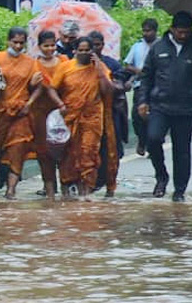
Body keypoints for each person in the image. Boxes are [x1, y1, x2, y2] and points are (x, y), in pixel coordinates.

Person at [138, 10, 192, 201]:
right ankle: (161, 176)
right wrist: (143, 101)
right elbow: (146, 76)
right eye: (180, 32)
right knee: (153, 139)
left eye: (186, 32)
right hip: (160, 105)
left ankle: (179, 190)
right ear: (172, 29)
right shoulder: (158, 48)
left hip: (186, 108)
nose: (183, 36)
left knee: (182, 150)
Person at [0, 27, 36, 198]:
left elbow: (38, 87)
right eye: (14, 42)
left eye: (21, 43)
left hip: (20, 113)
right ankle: (2, 176)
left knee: (17, 146)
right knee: (1, 149)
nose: (17, 46)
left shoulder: (31, 63)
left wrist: (30, 103)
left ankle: (11, 190)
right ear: (8, 41)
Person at [52, 37, 111, 198]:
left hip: (92, 118)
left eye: (87, 50)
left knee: (88, 152)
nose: (84, 53)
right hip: (69, 117)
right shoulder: (65, 68)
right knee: (68, 154)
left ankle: (86, 191)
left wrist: (99, 69)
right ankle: (66, 188)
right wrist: (60, 104)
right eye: (81, 50)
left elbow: (107, 90)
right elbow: (52, 88)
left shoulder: (100, 68)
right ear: (75, 51)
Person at [25, 30, 67, 199]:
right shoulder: (33, 64)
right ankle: (50, 190)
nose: (50, 49)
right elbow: (27, 88)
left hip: (62, 113)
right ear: (39, 46)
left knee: (65, 150)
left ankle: (66, 189)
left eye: (52, 45)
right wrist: (31, 84)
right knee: (44, 152)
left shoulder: (64, 61)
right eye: (46, 46)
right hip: (41, 114)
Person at [89, 30, 127, 196]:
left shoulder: (112, 64)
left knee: (111, 150)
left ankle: (109, 183)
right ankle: (89, 184)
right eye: (91, 45)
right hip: (87, 115)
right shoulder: (76, 66)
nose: (94, 49)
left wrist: (101, 70)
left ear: (103, 45)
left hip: (110, 114)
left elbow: (119, 85)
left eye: (97, 45)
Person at [123, 17, 158, 156]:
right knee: (137, 116)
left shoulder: (161, 45)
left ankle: (151, 145)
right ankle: (141, 140)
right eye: (144, 30)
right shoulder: (137, 46)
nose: (145, 33)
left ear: (155, 31)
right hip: (140, 85)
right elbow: (127, 64)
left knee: (153, 116)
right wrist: (138, 71)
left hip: (157, 86)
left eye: (148, 31)